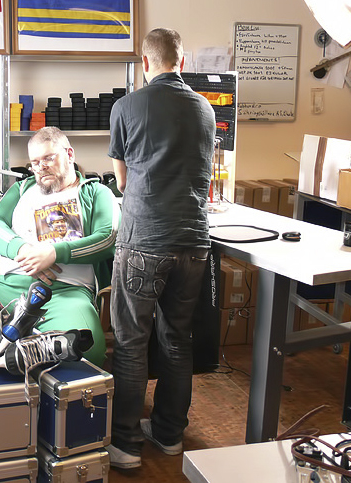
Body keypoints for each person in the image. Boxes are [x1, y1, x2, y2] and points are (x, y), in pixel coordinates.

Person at [106, 28, 216, 469]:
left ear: (145, 63)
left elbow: (122, 181)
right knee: (177, 338)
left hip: (145, 240)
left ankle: (127, 445)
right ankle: (170, 435)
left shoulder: (126, 106)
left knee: (131, 342)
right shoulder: (206, 109)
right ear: (182, 62)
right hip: (194, 243)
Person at [0, 127, 119, 367]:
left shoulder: (96, 192)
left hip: (66, 293)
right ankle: (25, 350)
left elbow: (109, 237)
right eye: (35, 162)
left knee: (88, 353)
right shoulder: (21, 189)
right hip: (9, 286)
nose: (41, 167)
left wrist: (54, 253)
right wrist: (23, 251)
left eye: (48, 158)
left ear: (69, 154)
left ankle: (23, 350)